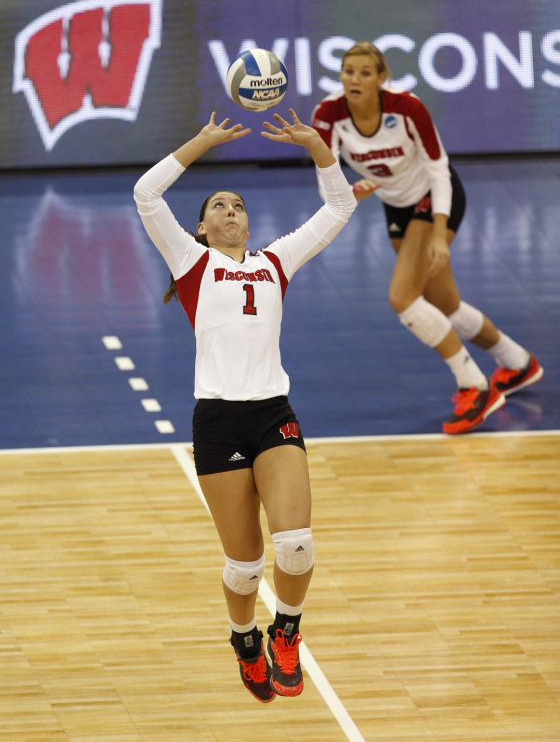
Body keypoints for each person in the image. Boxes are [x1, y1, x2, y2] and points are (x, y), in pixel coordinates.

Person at [133, 110, 357, 702]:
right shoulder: (192, 262)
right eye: (220, 208)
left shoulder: (274, 261)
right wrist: (201, 142)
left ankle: (287, 631)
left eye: (239, 206)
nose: (232, 212)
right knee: (245, 567)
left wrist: (318, 148)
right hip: (217, 420)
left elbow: (339, 208)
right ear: (202, 228)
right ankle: (244, 641)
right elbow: (145, 193)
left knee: (297, 544)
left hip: (271, 412)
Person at [311, 41, 543, 434]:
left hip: (434, 198)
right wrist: (352, 193)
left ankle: (475, 386)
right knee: (443, 301)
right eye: (349, 71)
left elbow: (439, 168)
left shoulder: (408, 108)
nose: (355, 79)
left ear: (382, 78)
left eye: (365, 73)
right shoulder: (327, 116)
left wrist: (439, 233)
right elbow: (327, 184)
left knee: (403, 297)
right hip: (395, 205)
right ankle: (518, 362)